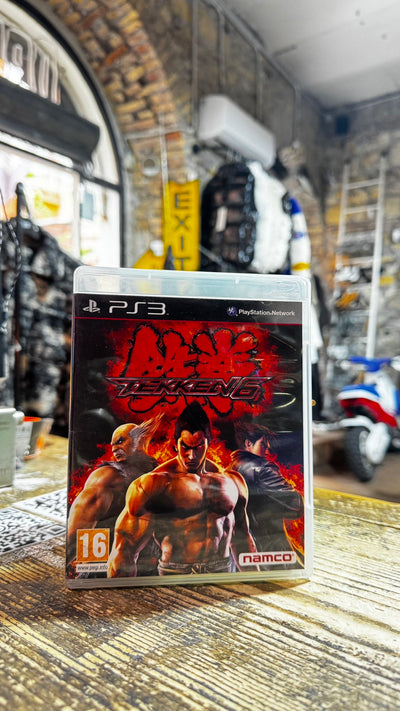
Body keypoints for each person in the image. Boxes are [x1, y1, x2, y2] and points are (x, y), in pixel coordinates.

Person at [108, 402, 256, 578]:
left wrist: (257, 583)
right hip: (175, 572)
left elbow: (242, 538)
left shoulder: (232, 481)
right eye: (185, 447)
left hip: (221, 569)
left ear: (208, 443)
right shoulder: (152, 484)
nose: (191, 456)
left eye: (198, 447)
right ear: (175, 444)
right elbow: (124, 549)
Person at [67, 416, 160, 570]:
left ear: (140, 440)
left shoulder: (163, 473)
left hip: (155, 571)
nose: (114, 449)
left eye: (120, 441)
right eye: (112, 445)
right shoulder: (107, 476)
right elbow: (75, 536)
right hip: (109, 571)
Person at [231, 422, 303, 561]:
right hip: (270, 547)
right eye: (263, 445)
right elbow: (295, 505)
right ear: (248, 443)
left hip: (243, 548)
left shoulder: (230, 468)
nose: (267, 451)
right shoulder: (263, 468)